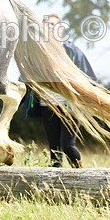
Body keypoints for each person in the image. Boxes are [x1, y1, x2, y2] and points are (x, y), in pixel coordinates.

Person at [23, 13, 97, 168]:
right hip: (47, 105)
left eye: (53, 24)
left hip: (69, 106)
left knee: (67, 145)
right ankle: (57, 188)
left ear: (61, 29)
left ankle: (80, 175)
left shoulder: (71, 51)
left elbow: (89, 78)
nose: (50, 27)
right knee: (54, 151)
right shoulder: (37, 52)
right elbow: (26, 77)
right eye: (47, 25)